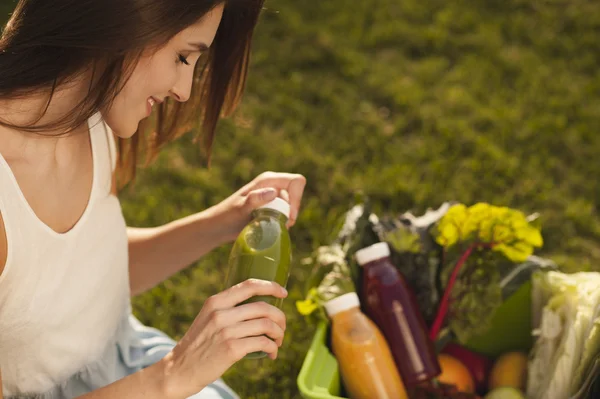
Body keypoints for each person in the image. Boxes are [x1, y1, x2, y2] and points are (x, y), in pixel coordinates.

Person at [0, 0, 307, 398]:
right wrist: (174, 374)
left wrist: (222, 221)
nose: (183, 91)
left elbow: (82, 275)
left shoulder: (86, 119)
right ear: (119, 19)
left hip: (129, 366)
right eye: (183, 57)